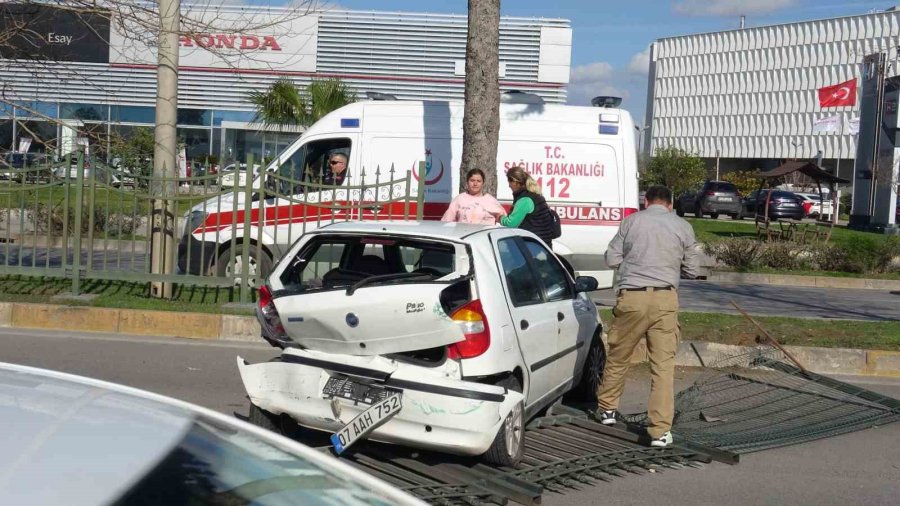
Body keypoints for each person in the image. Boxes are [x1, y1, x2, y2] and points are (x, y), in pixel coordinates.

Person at [594, 185, 700, 448]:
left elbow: (611, 258)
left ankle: (607, 409)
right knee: (662, 367)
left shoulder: (631, 222)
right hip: (665, 299)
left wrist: (633, 264)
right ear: (669, 203)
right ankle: (660, 431)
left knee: (619, 355)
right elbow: (693, 268)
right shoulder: (682, 226)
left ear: (646, 201)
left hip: (632, 297)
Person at [492, 166, 557, 246]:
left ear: (515, 182)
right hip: (543, 245)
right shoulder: (536, 195)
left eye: (509, 182)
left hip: (533, 246)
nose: (509, 186)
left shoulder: (525, 200)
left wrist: (500, 218)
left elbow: (511, 223)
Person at [441, 168, 506, 224]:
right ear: (467, 182)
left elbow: (505, 221)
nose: (475, 184)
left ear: (483, 183)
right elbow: (446, 221)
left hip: (484, 237)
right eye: (472, 180)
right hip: (463, 236)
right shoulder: (459, 199)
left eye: (478, 181)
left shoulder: (491, 200)